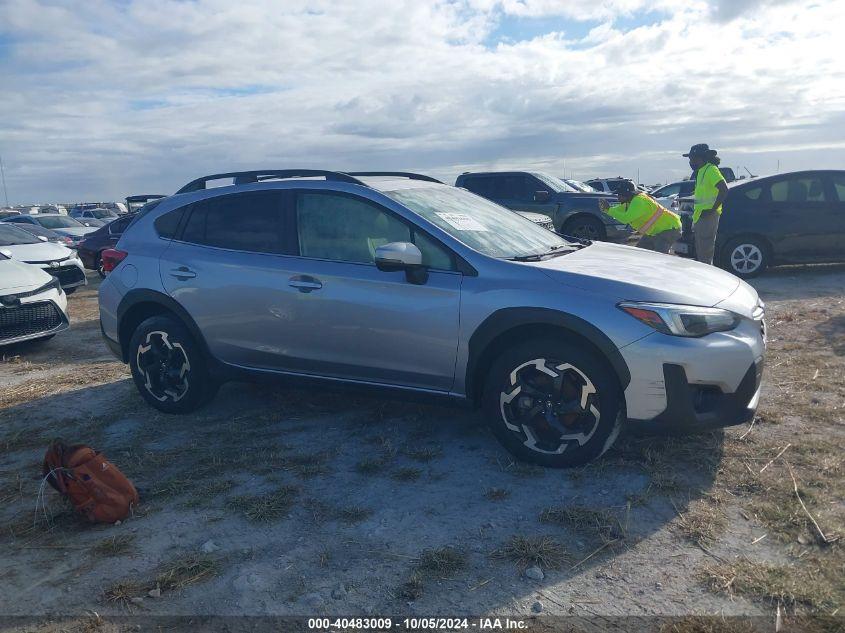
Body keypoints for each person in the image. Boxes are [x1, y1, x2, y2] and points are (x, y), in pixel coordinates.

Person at [598, 180, 681, 253]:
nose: (618, 196)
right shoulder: (629, 201)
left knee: (659, 257)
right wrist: (606, 209)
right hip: (657, 231)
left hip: (669, 228)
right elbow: (617, 210)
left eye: (620, 194)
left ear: (627, 194)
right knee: (640, 253)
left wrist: (608, 210)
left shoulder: (639, 201)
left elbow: (625, 218)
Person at [684, 143, 728, 264]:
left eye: (692, 158)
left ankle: (707, 278)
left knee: (705, 253)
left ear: (701, 157)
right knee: (701, 251)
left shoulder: (711, 170)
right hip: (700, 215)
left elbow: (724, 189)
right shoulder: (701, 171)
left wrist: (712, 210)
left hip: (708, 216)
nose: (690, 161)